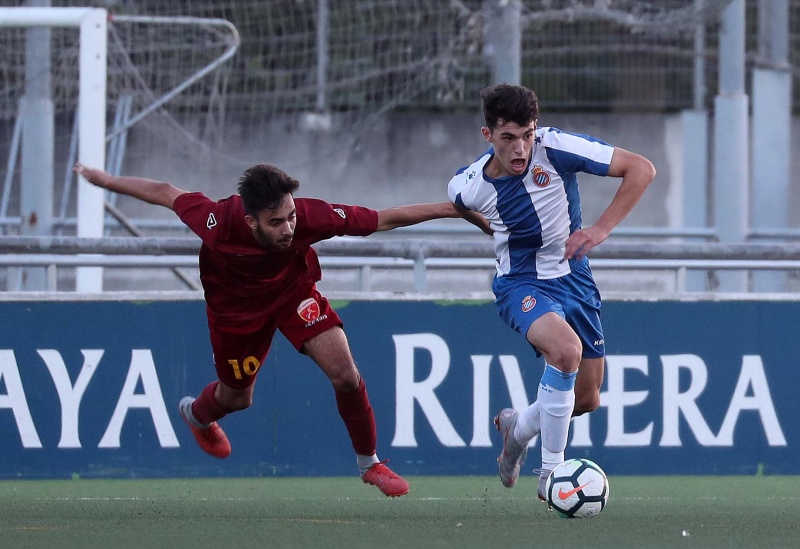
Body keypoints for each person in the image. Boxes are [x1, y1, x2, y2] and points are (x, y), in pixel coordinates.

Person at [74, 161, 467, 497]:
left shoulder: (309, 216)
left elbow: (381, 219)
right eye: (276, 222)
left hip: (293, 297)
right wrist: (104, 180)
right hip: (236, 316)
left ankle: (370, 464)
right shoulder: (217, 222)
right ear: (251, 221)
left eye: (291, 216)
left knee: (347, 376)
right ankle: (196, 414)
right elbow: (163, 191)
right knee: (237, 399)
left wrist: (451, 209)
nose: (288, 228)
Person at [447, 84, 656, 501]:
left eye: (527, 135)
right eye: (508, 137)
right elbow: (459, 203)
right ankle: (551, 474)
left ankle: (518, 429)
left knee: (587, 399)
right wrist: (493, 228)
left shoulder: (556, 147)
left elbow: (641, 169)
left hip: (575, 278)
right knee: (565, 351)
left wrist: (600, 229)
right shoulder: (469, 184)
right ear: (488, 135)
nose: (521, 148)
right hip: (521, 283)